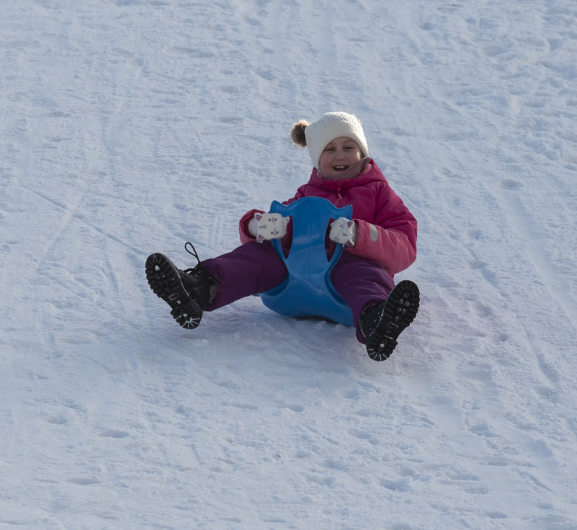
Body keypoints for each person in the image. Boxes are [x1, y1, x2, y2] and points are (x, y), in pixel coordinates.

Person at [145, 111, 420, 361]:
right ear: (316, 158)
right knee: (258, 257)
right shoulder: (306, 194)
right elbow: (277, 230)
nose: (340, 155)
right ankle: (198, 289)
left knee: (363, 273)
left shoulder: (378, 192)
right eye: (330, 149)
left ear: (362, 152)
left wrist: (360, 235)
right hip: (293, 284)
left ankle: (376, 320)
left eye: (349, 147)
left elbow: (404, 245)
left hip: (345, 292)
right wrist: (258, 227)